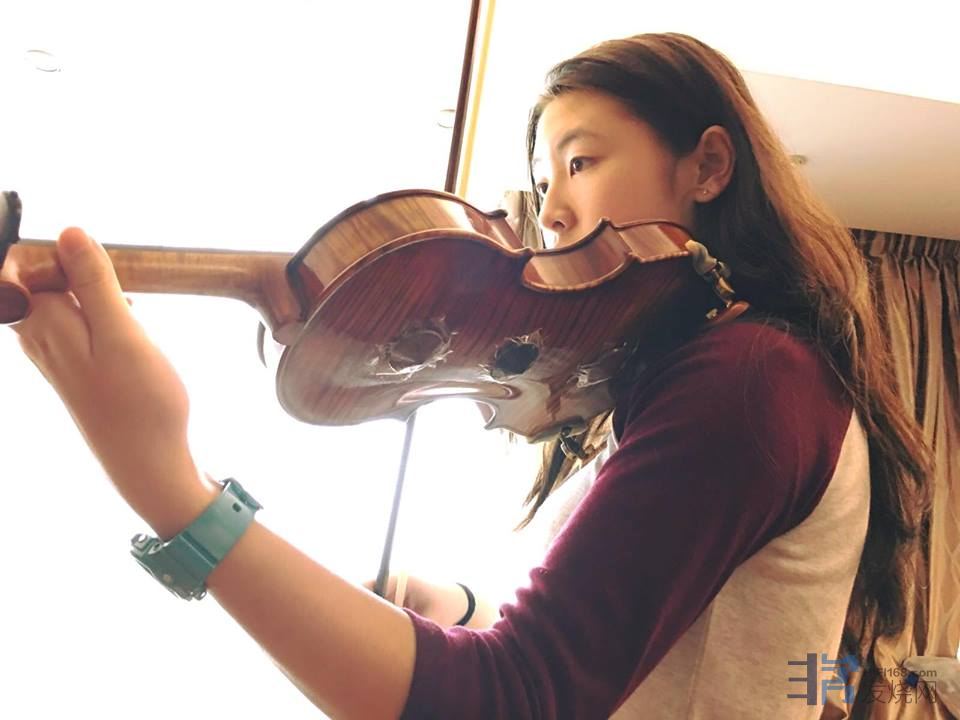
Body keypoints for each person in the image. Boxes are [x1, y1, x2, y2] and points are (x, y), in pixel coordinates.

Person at [4, 32, 932, 719]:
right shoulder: (682, 383)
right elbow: (644, 662)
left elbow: (517, 698)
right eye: (545, 180)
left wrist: (171, 488)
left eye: (581, 162)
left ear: (709, 165)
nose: (551, 213)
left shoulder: (751, 378)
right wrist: (464, 608)